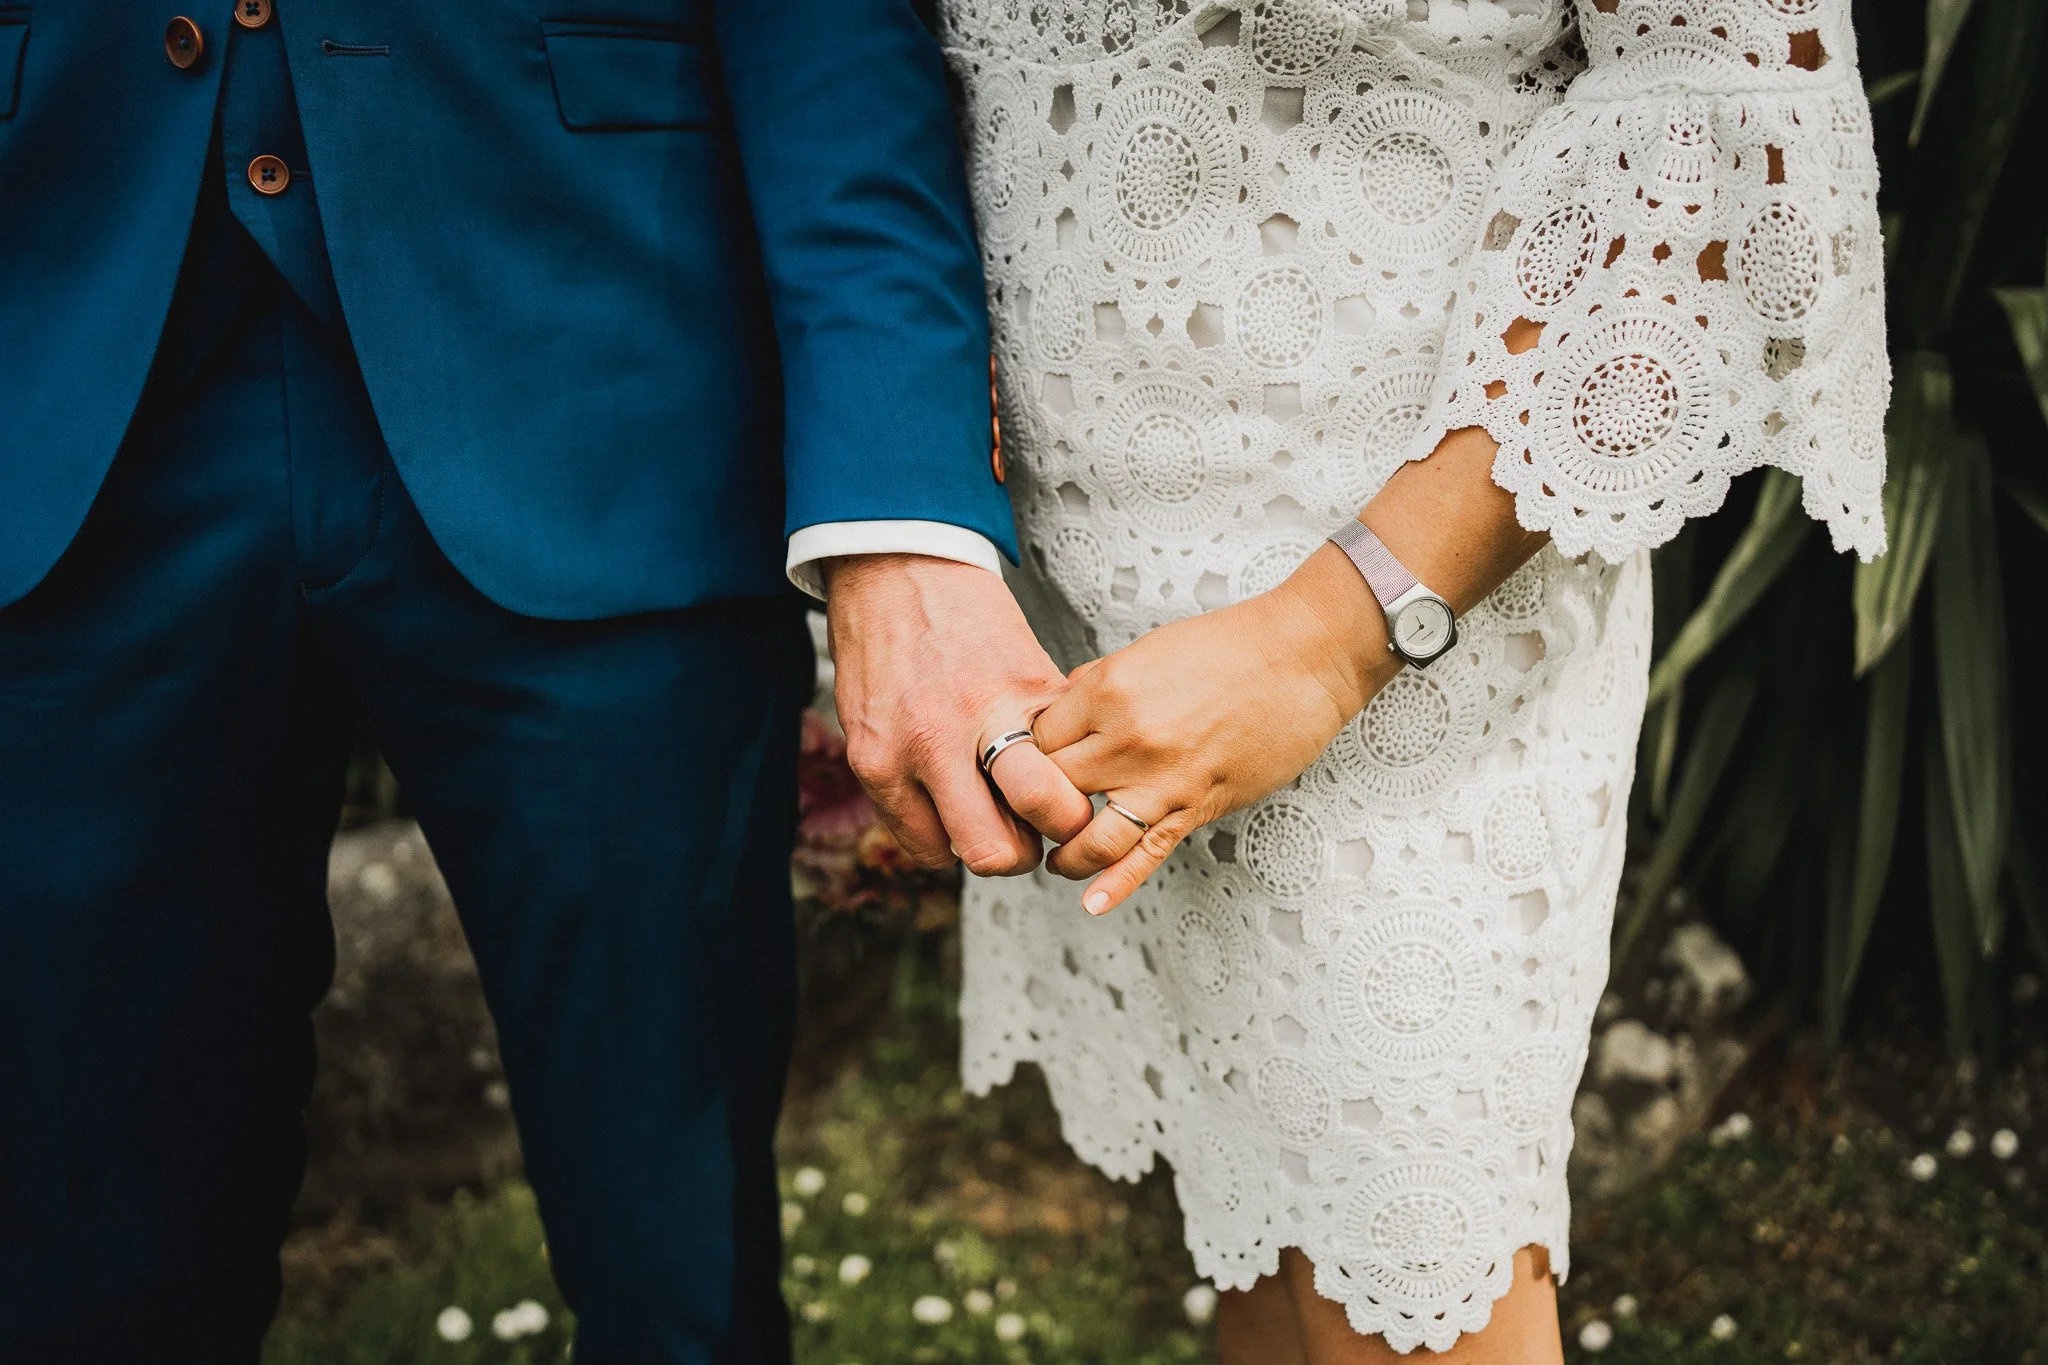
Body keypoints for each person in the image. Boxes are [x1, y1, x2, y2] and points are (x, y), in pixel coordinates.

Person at [0, 3, 1083, 1360]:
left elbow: (826, 34)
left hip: (598, 375)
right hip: (62, 378)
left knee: (677, 1249)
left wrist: (894, 504)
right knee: (83, 1258)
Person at [932, 0, 1889, 1357]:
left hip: (1416, 638)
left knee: (1406, 1261)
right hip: (1095, 623)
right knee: (1271, 1221)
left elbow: (1728, 98)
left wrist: (1330, 637)